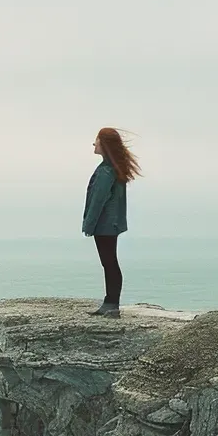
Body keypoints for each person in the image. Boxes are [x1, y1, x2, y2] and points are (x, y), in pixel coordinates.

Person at [81, 127, 141, 317]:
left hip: (105, 224)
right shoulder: (111, 167)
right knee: (110, 262)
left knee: (109, 262)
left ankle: (111, 304)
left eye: (96, 140)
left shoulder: (107, 170)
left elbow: (99, 199)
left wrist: (89, 224)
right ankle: (110, 303)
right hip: (109, 223)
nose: (94, 143)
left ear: (104, 144)